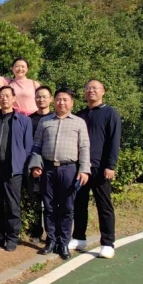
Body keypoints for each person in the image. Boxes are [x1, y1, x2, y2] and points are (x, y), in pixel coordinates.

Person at [28, 88, 90, 260]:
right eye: (58, 99)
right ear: (54, 101)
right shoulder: (45, 121)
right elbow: (36, 145)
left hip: (69, 169)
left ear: (72, 103)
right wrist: (35, 165)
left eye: (65, 99)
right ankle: (51, 240)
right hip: (47, 168)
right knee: (48, 206)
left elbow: (84, 147)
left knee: (67, 207)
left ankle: (64, 242)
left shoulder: (79, 122)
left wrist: (84, 170)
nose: (61, 102)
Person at [71, 79, 122, 259]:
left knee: (104, 205)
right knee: (79, 204)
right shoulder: (79, 115)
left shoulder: (110, 113)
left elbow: (114, 140)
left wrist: (110, 165)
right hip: (81, 168)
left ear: (103, 91)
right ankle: (79, 238)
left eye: (95, 88)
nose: (91, 91)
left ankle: (107, 243)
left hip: (100, 168)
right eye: (87, 88)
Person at [0, 86, 34, 251]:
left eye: (7, 95)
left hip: (13, 169)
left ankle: (12, 237)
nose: (4, 98)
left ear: (14, 98)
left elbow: (28, 146)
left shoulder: (23, 120)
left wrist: (24, 167)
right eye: (1, 95)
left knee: (12, 204)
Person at [25, 86, 56, 243]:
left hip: (52, 165)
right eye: (38, 97)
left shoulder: (56, 118)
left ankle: (53, 234)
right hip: (34, 165)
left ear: (51, 99)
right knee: (35, 200)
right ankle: (36, 232)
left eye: (44, 97)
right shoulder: (29, 120)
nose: (41, 99)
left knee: (52, 201)